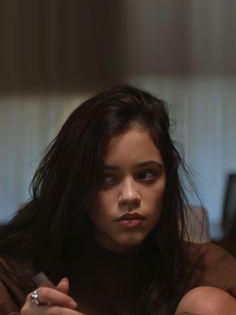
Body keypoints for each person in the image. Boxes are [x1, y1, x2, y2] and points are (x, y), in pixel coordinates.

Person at [0, 84, 235, 315]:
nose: (130, 196)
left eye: (146, 175)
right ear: (75, 185)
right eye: (106, 178)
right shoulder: (19, 271)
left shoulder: (200, 269)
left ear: (168, 179)